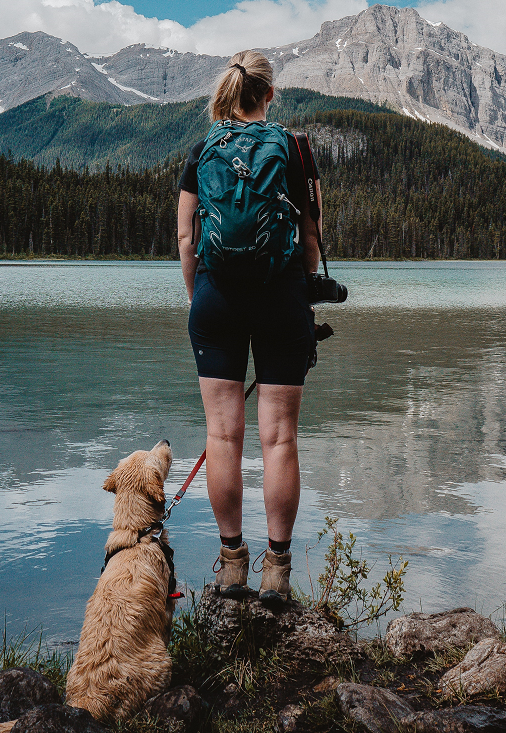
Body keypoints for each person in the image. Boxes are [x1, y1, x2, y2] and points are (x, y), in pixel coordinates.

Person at [177, 49, 321, 605]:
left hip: (216, 299)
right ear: (269, 95)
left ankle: (232, 565)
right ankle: (277, 574)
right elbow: (311, 244)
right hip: (281, 299)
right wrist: (293, 284)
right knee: (280, 437)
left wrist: (200, 297)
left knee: (222, 437)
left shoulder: (202, 148)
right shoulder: (293, 148)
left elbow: (188, 240)